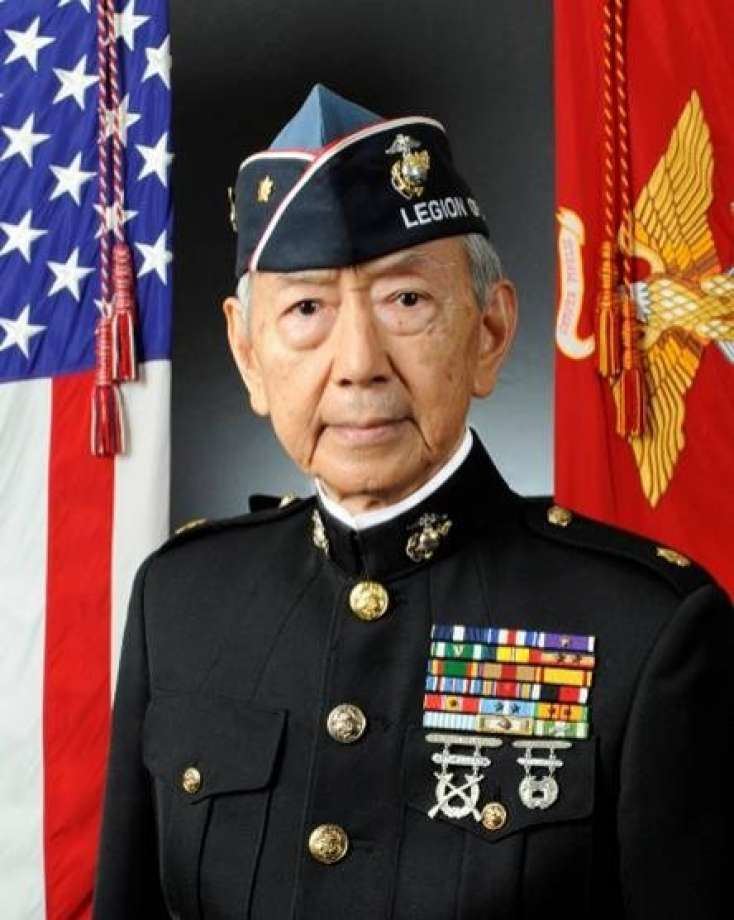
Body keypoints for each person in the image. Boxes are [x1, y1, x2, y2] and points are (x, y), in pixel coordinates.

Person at [93, 84, 733, 920]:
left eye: (406, 300)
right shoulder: (181, 603)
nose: (358, 362)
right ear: (248, 355)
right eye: (307, 309)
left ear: (491, 334)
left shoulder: (647, 629)